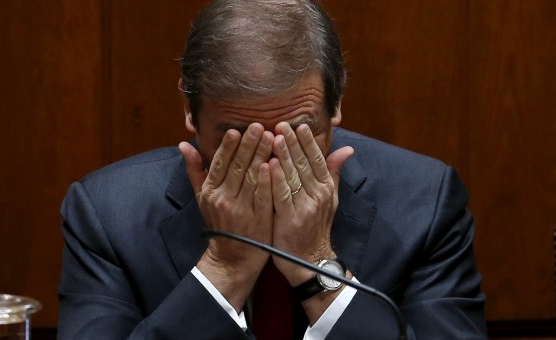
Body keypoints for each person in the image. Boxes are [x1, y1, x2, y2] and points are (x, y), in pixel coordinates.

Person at [57, 0, 487, 339]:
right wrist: (225, 266)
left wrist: (317, 264)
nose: (268, 163)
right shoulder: (108, 213)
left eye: (297, 134)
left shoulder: (424, 201)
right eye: (237, 138)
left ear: (335, 105)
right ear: (190, 111)